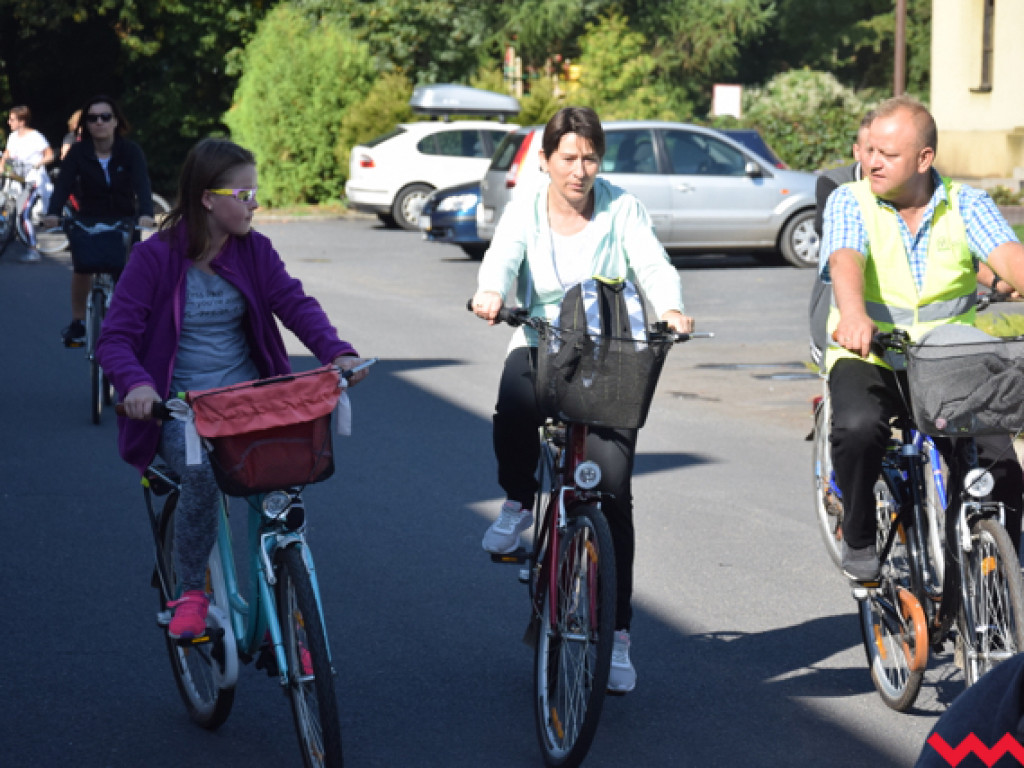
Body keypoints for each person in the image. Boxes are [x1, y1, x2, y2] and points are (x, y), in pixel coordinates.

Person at [95, 137, 369, 639]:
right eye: (243, 195)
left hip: (251, 405)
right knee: (201, 477)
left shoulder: (255, 252)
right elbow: (115, 338)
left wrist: (337, 350)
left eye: (255, 193)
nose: (255, 204)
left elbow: (295, 304)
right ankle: (191, 592)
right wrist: (135, 384)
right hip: (182, 411)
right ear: (206, 199)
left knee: (286, 484)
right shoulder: (153, 259)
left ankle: (292, 604)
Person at [470, 106, 694, 694]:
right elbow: (502, 257)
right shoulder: (527, 207)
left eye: (590, 157)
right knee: (514, 404)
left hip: (608, 353)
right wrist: (491, 291)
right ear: (544, 160)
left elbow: (652, 261)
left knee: (613, 493)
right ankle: (519, 501)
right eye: (568, 157)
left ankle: (618, 637)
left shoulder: (621, 206)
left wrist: (669, 307)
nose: (580, 169)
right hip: (543, 340)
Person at [821, 95, 1024, 582]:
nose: (871, 162)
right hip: (869, 353)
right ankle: (860, 531)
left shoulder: (966, 203)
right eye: (870, 151)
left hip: (950, 359)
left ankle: (1002, 575)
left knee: (1000, 468)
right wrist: (852, 314)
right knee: (856, 428)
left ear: (923, 159)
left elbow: (1009, 254)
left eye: (886, 155)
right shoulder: (851, 200)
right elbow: (844, 258)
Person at [44, 96, 156, 348]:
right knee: (82, 267)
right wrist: (53, 213)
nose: (99, 122)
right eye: (93, 118)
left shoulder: (130, 152)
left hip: (123, 220)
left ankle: (129, 324)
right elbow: (63, 186)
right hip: (88, 219)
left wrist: (146, 213)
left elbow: (142, 186)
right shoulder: (77, 153)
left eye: (105, 117)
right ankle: (78, 323)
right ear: (86, 124)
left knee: (127, 272)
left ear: (116, 121)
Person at [809, 111, 875, 369]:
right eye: (870, 150)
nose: (877, 161)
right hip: (836, 309)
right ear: (856, 151)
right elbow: (835, 242)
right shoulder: (835, 186)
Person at [0, 105, 54, 263]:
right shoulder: (12, 137)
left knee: (23, 214)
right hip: (18, 180)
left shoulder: (36, 137)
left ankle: (33, 250)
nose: (9, 122)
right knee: (8, 207)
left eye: (12, 119)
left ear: (22, 121)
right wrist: (3, 168)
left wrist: (38, 163)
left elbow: (50, 155)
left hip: (34, 181)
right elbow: (8, 156)